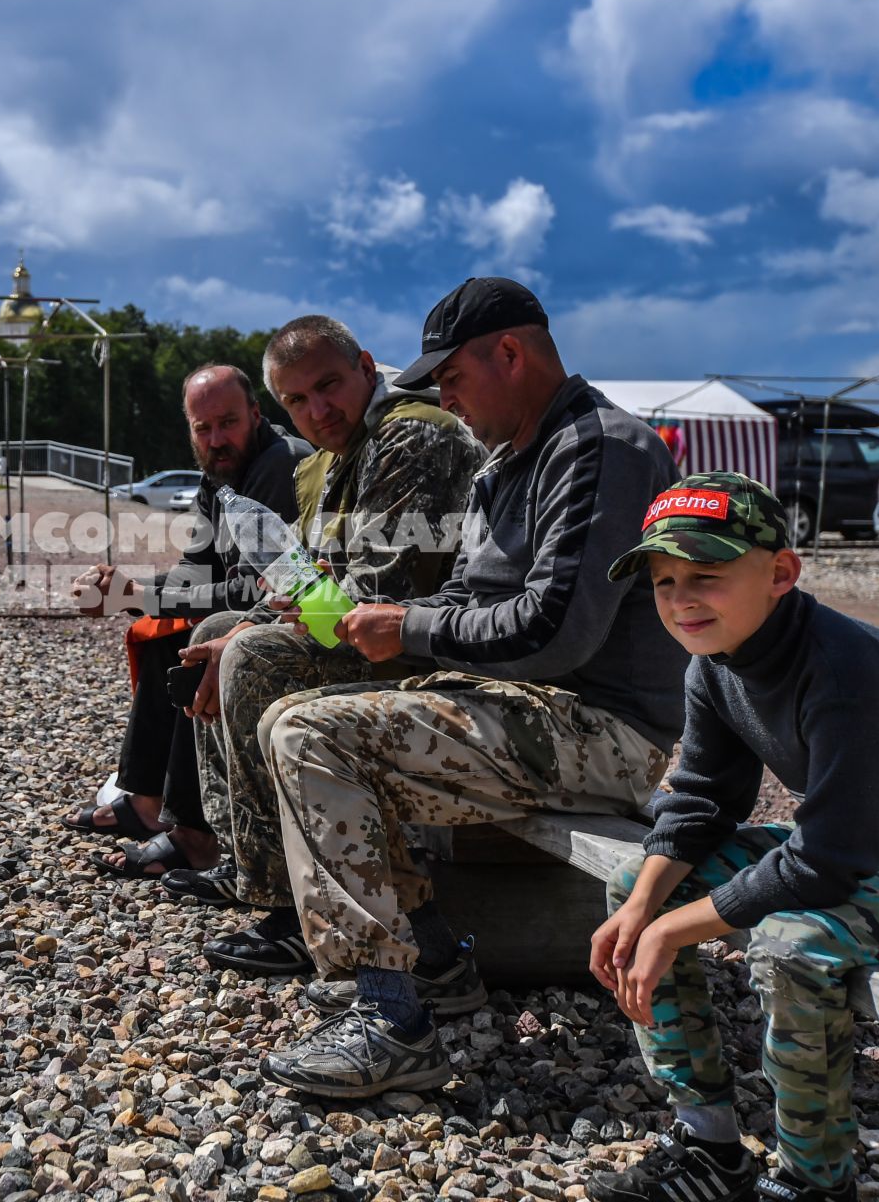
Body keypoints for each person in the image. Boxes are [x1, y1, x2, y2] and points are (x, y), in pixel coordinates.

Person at [256, 276, 686, 1097]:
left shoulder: (600, 447)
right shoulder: (507, 465)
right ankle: (437, 964)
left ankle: (390, 1021)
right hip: (531, 709)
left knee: (314, 737)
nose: (446, 400)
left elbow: (557, 630)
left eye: (452, 379)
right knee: (294, 713)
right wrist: (387, 615)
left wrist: (410, 631)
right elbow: (470, 601)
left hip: (602, 728)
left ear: (512, 354)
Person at [584, 473, 879, 1202]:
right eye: (664, 581)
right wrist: (645, 908)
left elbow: (827, 860)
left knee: (793, 944)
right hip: (869, 851)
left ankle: (813, 1179)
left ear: (782, 574)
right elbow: (701, 801)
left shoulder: (847, 669)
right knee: (634, 888)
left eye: (707, 574)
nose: (681, 599)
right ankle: (710, 1149)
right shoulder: (716, 664)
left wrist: (672, 930)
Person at [166, 314, 480, 968]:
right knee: (215, 634)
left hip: (437, 643)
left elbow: (380, 586)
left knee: (247, 654)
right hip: (386, 628)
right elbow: (317, 577)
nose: (318, 409)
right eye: (297, 400)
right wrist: (262, 615)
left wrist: (266, 625)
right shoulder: (341, 457)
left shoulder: (409, 434)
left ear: (366, 368)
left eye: (328, 385)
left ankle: (289, 908)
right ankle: (245, 863)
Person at [60, 364, 309, 876]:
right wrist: (131, 593)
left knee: (202, 637)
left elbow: (254, 588)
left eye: (228, 422)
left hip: (296, 615)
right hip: (261, 603)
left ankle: (196, 834)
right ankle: (148, 800)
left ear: (257, 414)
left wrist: (140, 595)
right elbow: (196, 570)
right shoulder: (218, 472)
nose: (216, 439)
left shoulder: (279, 467)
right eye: (203, 428)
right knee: (158, 633)